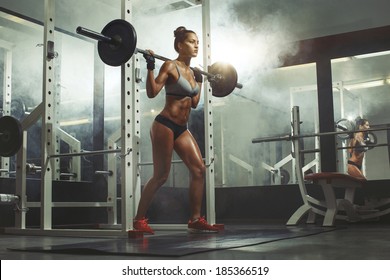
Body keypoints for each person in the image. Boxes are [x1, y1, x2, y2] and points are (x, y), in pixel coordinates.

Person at [133, 26, 219, 234]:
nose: (196, 45)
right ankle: (139, 219)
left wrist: (200, 80)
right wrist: (151, 66)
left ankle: (195, 219)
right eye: (191, 41)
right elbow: (153, 92)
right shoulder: (170, 66)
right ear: (180, 45)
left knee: (199, 170)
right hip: (164, 124)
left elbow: (195, 102)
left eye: (197, 42)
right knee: (161, 175)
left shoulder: (192, 72)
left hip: (182, 127)